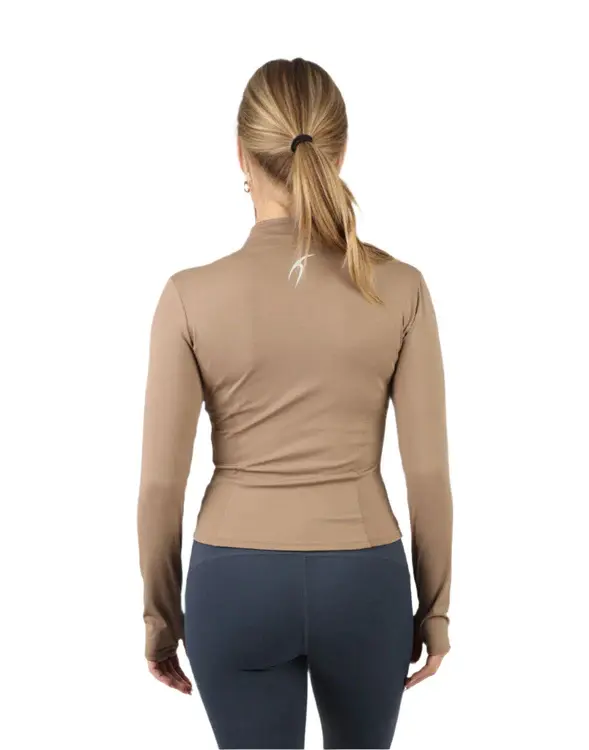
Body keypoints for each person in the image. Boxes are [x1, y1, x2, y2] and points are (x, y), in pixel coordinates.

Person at [137, 57, 453, 750]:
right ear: (339, 153)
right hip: (363, 582)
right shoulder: (400, 288)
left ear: (241, 155)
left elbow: (161, 484)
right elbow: (428, 474)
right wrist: (434, 613)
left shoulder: (189, 297)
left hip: (234, 584)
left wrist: (161, 620)